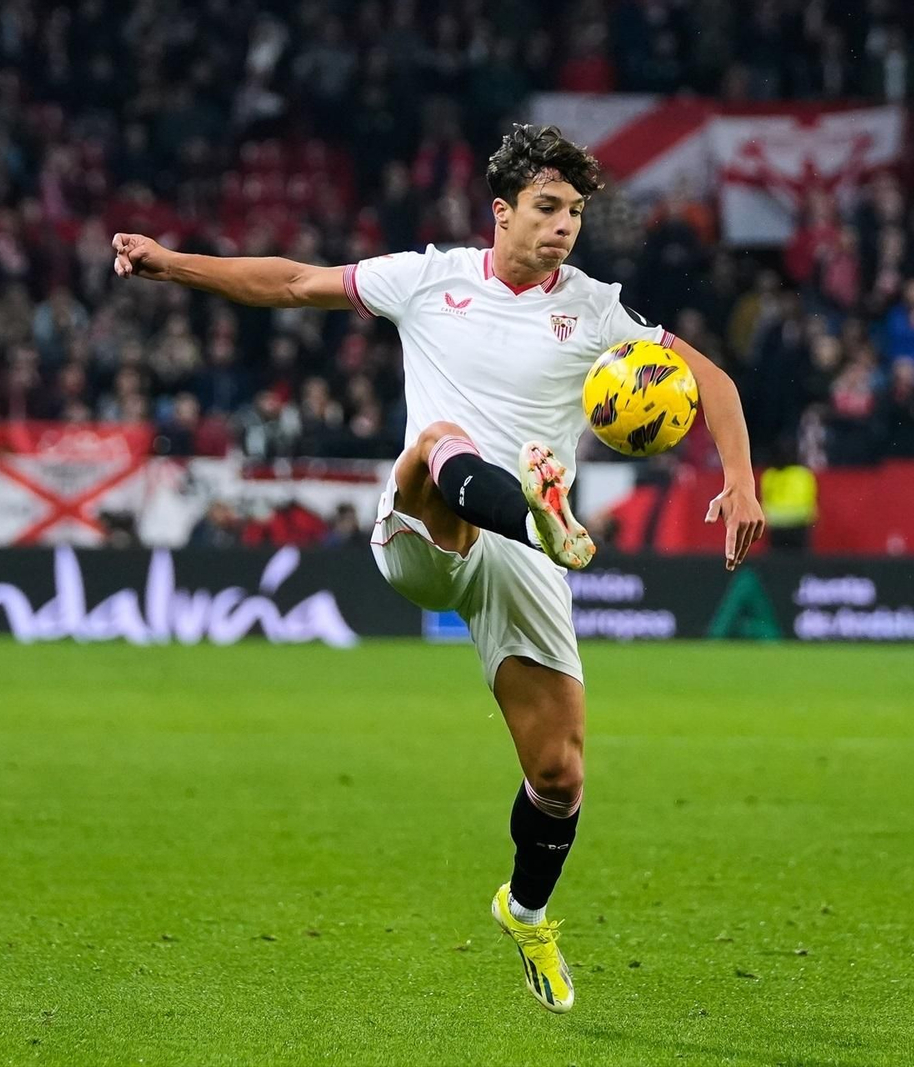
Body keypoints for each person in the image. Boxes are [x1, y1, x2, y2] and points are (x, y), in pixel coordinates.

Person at [111, 124, 765, 1013]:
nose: (565, 225)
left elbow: (713, 385)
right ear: (501, 212)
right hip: (425, 526)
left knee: (561, 775)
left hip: (524, 562)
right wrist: (170, 263)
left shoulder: (598, 311)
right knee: (436, 440)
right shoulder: (428, 279)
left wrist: (738, 480)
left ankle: (525, 910)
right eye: (547, 207)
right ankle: (531, 508)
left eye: (575, 211)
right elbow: (294, 282)